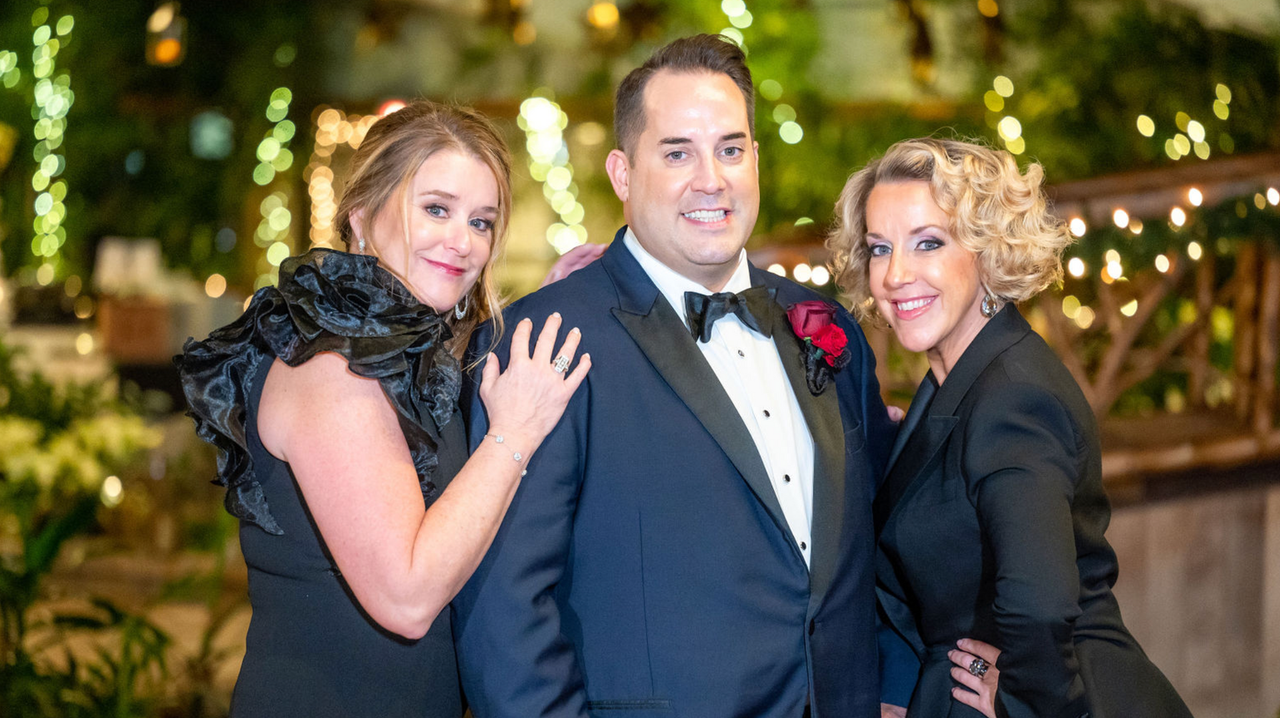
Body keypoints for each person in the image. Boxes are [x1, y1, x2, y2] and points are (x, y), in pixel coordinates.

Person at [452, 35, 901, 718]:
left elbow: (880, 535)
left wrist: (895, 687)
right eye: (676, 153)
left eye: (730, 148)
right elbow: (502, 612)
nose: (711, 179)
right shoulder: (544, 340)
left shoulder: (822, 324)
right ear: (623, 174)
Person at [176, 101, 589, 718]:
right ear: (362, 216)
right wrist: (517, 431)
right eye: (437, 209)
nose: (462, 241)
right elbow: (407, 596)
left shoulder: (400, 353)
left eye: (481, 222)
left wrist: (561, 296)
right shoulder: (331, 368)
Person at [828, 138, 1192, 718]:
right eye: (879, 248)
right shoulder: (956, 381)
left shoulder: (1013, 397)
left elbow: (1040, 607)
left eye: (928, 243)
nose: (895, 275)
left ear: (989, 251)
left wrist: (1023, 705)